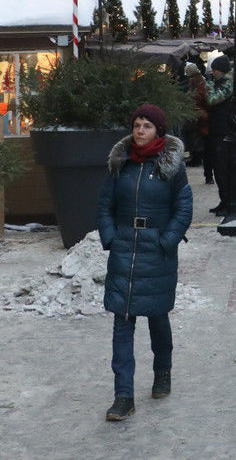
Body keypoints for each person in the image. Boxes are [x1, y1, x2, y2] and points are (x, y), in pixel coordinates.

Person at [96, 104, 193, 421]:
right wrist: (109, 236)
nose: (140, 131)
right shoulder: (120, 164)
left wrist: (167, 240)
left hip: (157, 251)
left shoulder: (171, 167)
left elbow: (183, 208)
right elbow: (105, 204)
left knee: (157, 316)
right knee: (122, 323)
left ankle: (162, 370)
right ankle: (123, 396)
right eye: (137, 125)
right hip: (125, 249)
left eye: (147, 126)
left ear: (158, 131)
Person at [205, 56, 234, 214]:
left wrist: (209, 83)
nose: (212, 72)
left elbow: (212, 99)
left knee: (223, 169)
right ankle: (224, 200)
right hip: (217, 129)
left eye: (214, 69)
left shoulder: (227, 84)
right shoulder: (221, 82)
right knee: (218, 168)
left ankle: (228, 200)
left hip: (223, 130)